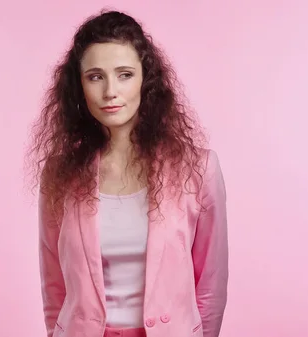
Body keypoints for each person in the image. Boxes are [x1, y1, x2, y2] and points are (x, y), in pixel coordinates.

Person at [26, 9, 228, 337]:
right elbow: (54, 285)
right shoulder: (60, 173)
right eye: (95, 76)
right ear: (79, 87)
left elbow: (210, 285)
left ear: (145, 80)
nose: (110, 91)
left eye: (124, 74)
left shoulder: (199, 169)